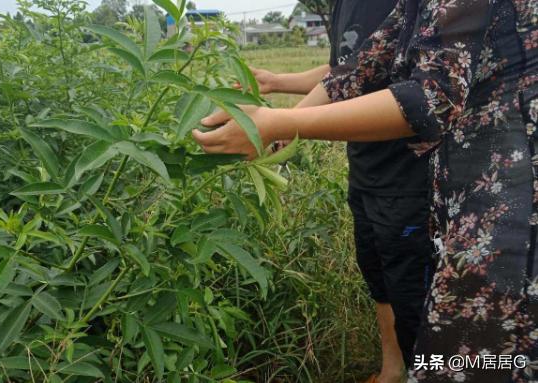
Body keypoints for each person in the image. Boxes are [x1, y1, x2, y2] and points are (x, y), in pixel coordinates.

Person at [193, 0, 538, 382]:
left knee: (484, 352)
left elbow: (430, 97)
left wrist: (279, 123)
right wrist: (273, 129)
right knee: (461, 351)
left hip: (514, 200)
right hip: (464, 191)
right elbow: (361, 67)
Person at [242, 2, 434, 382]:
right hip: (365, 163)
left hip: (409, 169)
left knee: (415, 294)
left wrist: (281, 124)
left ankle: (427, 371)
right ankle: (392, 370)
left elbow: (426, 91)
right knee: (377, 273)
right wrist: (277, 83)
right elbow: (351, 69)